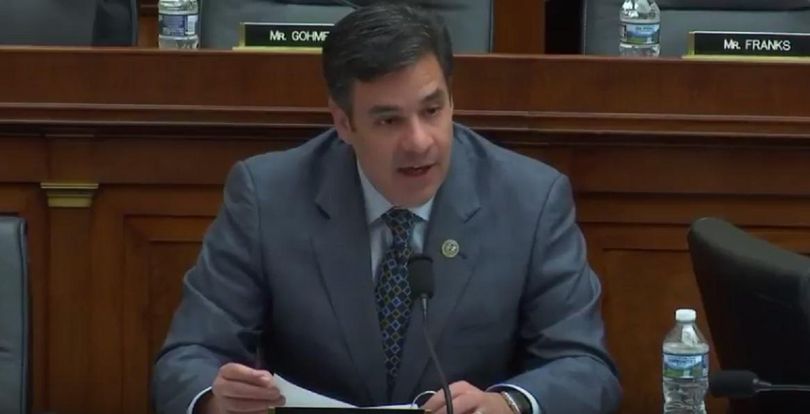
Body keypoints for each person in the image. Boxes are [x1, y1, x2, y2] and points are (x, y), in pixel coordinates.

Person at [152, 3, 622, 414]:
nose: (419, 141)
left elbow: (585, 368)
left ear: (452, 100)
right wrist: (217, 400)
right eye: (388, 120)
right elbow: (187, 358)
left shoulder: (530, 199)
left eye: (432, 110)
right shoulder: (268, 196)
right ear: (343, 123)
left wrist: (508, 404)